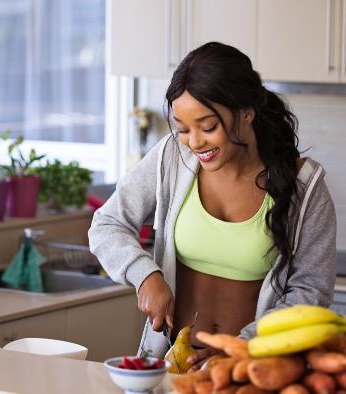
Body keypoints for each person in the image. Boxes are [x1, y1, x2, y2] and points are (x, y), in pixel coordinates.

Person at [88, 42, 337, 369]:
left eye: (207, 127)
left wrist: (240, 347)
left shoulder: (304, 185)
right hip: (170, 365)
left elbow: (310, 291)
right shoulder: (172, 156)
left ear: (246, 112)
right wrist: (146, 275)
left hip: (251, 370)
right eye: (183, 129)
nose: (194, 142)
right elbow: (106, 225)